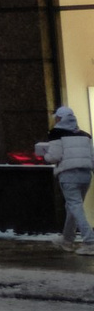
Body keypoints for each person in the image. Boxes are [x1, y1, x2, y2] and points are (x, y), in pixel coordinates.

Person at [35, 104, 94, 252]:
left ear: (60, 119)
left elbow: (54, 157)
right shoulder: (85, 135)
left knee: (75, 206)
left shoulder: (56, 134)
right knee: (72, 207)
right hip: (86, 175)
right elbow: (91, 157)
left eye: (57, 118)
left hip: (69, 175)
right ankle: (67, 239)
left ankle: (90, 241)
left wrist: (44, 155)